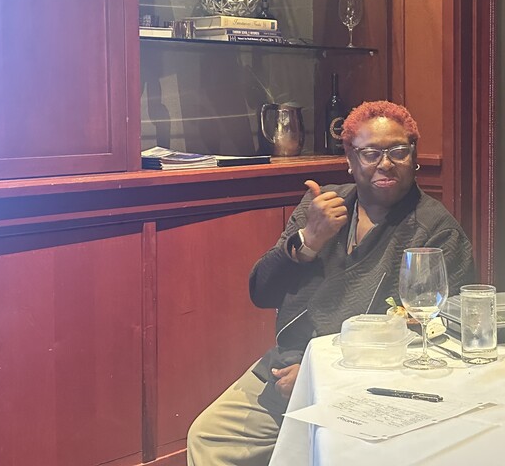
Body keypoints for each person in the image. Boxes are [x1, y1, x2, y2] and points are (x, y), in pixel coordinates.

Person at [186, 101, 475, 466]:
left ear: (414, 157)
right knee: (209, 437)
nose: (386, 164)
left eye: (398, 151)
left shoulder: (436, 231)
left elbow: (435, 336)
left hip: (371, 386)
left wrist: (317, 373)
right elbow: (262, 292)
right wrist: (308, 241)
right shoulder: (321, 205)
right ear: (350, 160)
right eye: (371, 153)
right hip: (287, 366)